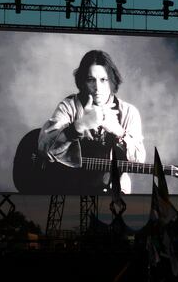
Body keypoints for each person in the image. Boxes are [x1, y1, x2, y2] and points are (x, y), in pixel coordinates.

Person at [38, 50, 145, 194]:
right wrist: (80, 126)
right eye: (90, 80)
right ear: (83, 81)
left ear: (112, 81)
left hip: (114, 192)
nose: (97, 87)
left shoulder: (129, 112)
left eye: (103, 80)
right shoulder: (69, 106)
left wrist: (118, 130)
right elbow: (45, 149)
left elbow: (139, 161)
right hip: (71, 187)